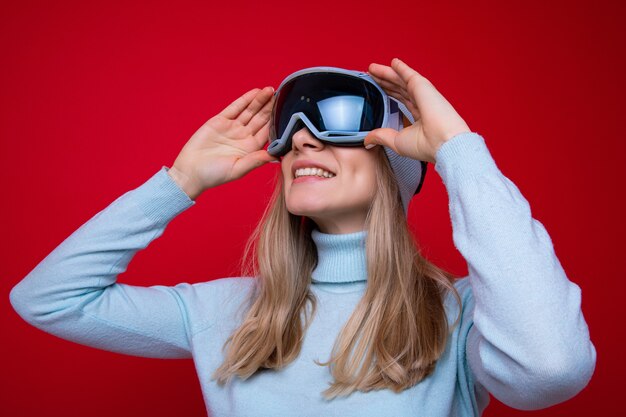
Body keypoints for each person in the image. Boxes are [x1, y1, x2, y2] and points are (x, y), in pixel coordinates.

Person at [9, 58, 596, 416]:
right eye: (290, 128)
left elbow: (551, 369)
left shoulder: (461, 315)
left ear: (397, 167)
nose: (302, 141)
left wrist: (459, 153)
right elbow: (46, 300)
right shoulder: (227, 312)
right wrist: (180, 182)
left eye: (334, 122)